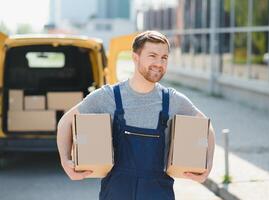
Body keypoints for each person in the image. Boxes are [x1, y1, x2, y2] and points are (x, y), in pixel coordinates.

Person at [57, 30, 215, 200]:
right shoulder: (108, 96)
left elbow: (208, 129)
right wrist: (66, 161)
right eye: (152, 56)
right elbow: (66, 122)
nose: (159, 63)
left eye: (164, 58)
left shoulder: (173, 100)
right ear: (135, 57)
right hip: (116, 193)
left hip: (158, 193)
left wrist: (208, 166)